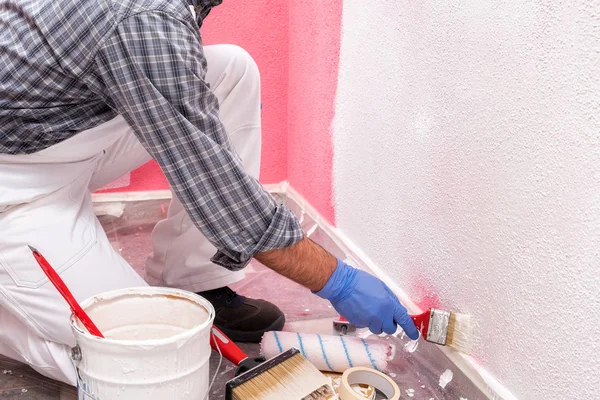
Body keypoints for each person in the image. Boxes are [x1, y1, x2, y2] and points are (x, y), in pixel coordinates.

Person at [0, 0, 419, 385]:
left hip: (52, 138)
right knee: (151, 362)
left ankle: (198, 280)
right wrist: (336, 280)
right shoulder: (142, 19)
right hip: (15, 186)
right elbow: (223, 198)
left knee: (230, 70)